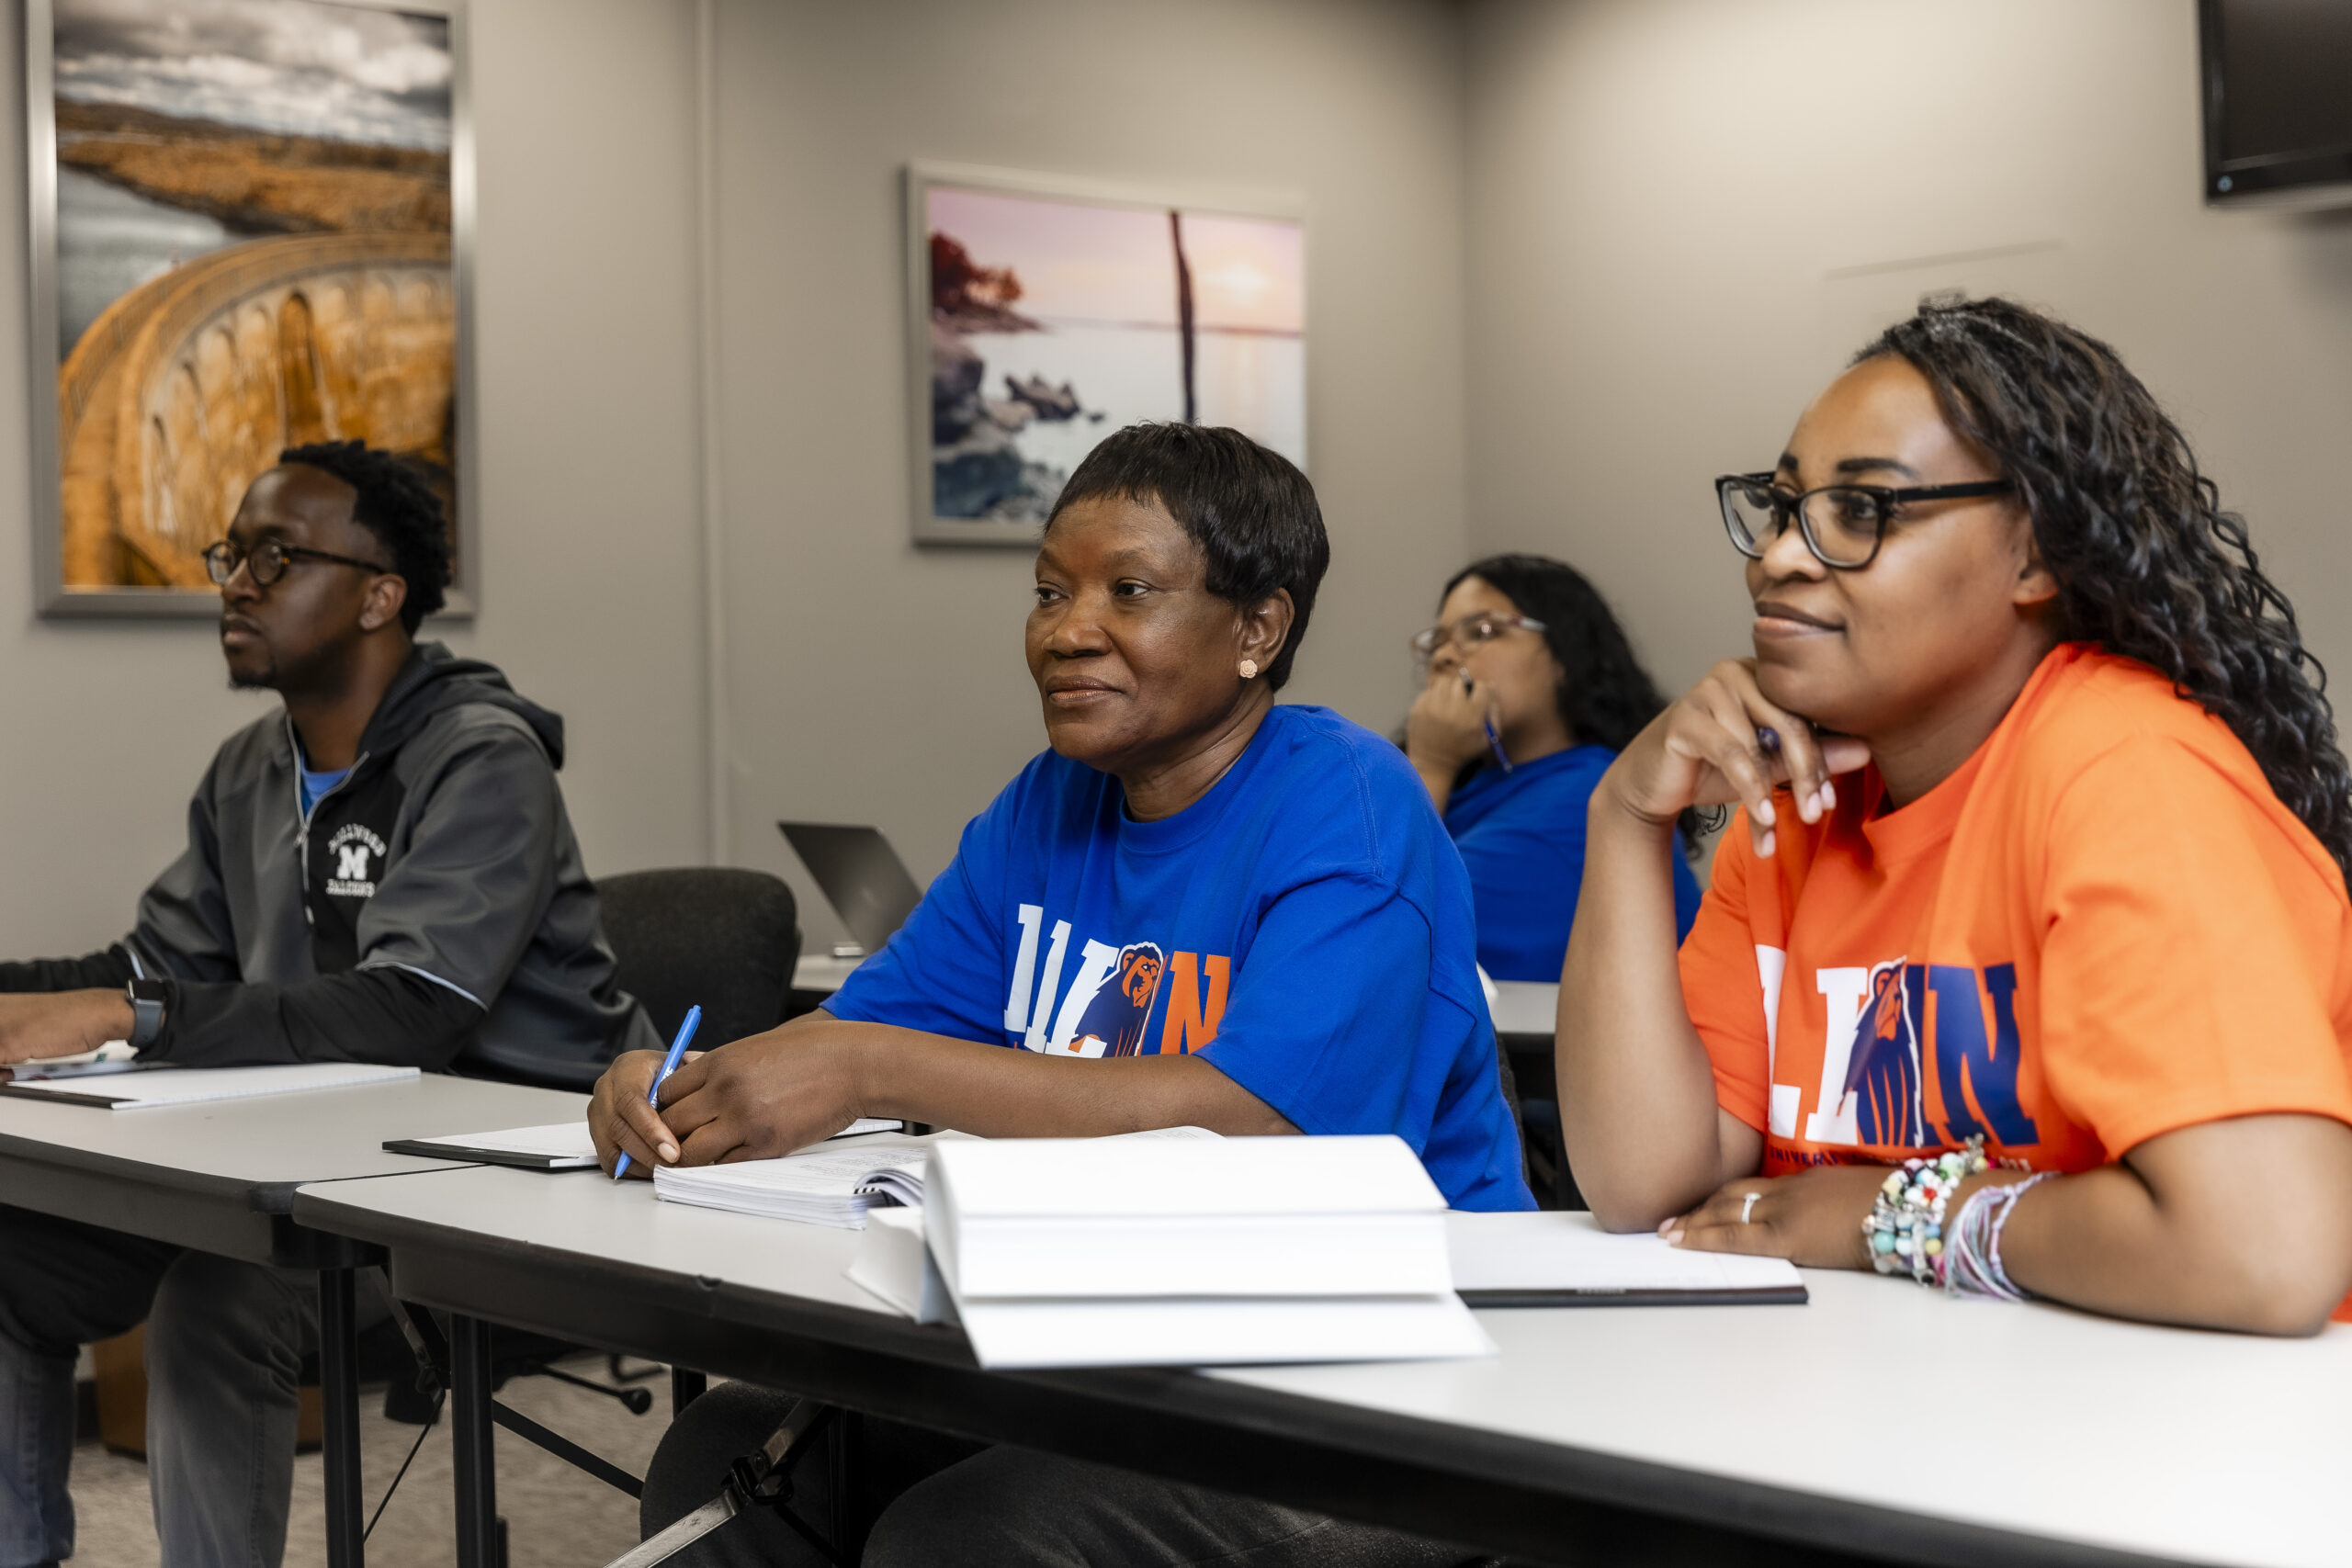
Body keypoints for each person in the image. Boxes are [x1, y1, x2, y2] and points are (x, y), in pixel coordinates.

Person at [604, 422, 1530, 1567]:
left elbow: (1257, 1120)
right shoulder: (1047, 803)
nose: (1066, 631)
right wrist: (685, 1087)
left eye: (1127, 590)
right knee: (725, 1456)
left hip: (1386, 1377)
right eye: (1049, 590)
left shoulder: (1350, 807)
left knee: (976, 1538)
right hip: (1116, 1338)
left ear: (1258, 628)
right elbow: (859, 1029)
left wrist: (868, 1068)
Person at [1558, 296, 2352, 1334]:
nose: (1779, 556)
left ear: (2035, 557)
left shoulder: (2127, 774)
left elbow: (2264, 1253)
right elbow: (1641, 1184)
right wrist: (1624, 814)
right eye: (1782, 505)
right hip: (1896, 1418)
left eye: (1862, 512)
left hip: (2188, 1451)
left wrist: (1890, 1216)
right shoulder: (1799, 796)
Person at [0, 441, 656, 1568]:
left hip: (509, 1179)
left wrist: (131, 1016)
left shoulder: (483, 759)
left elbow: (411, 1008)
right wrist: (59, 1000)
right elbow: (150, 960)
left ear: (379, 595)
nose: (237, 584)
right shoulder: (249, 767)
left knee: (222, 1298)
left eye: (276, 556)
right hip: (300, 1168)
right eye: (231, 556)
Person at [1404, 554, 1702, 980]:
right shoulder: (1474, 786)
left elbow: (1378, 929)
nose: (1445, 657)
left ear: (1566, 655)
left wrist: (1430, 764)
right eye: (1438, 642)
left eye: (1483, 631)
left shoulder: (1591, 797)